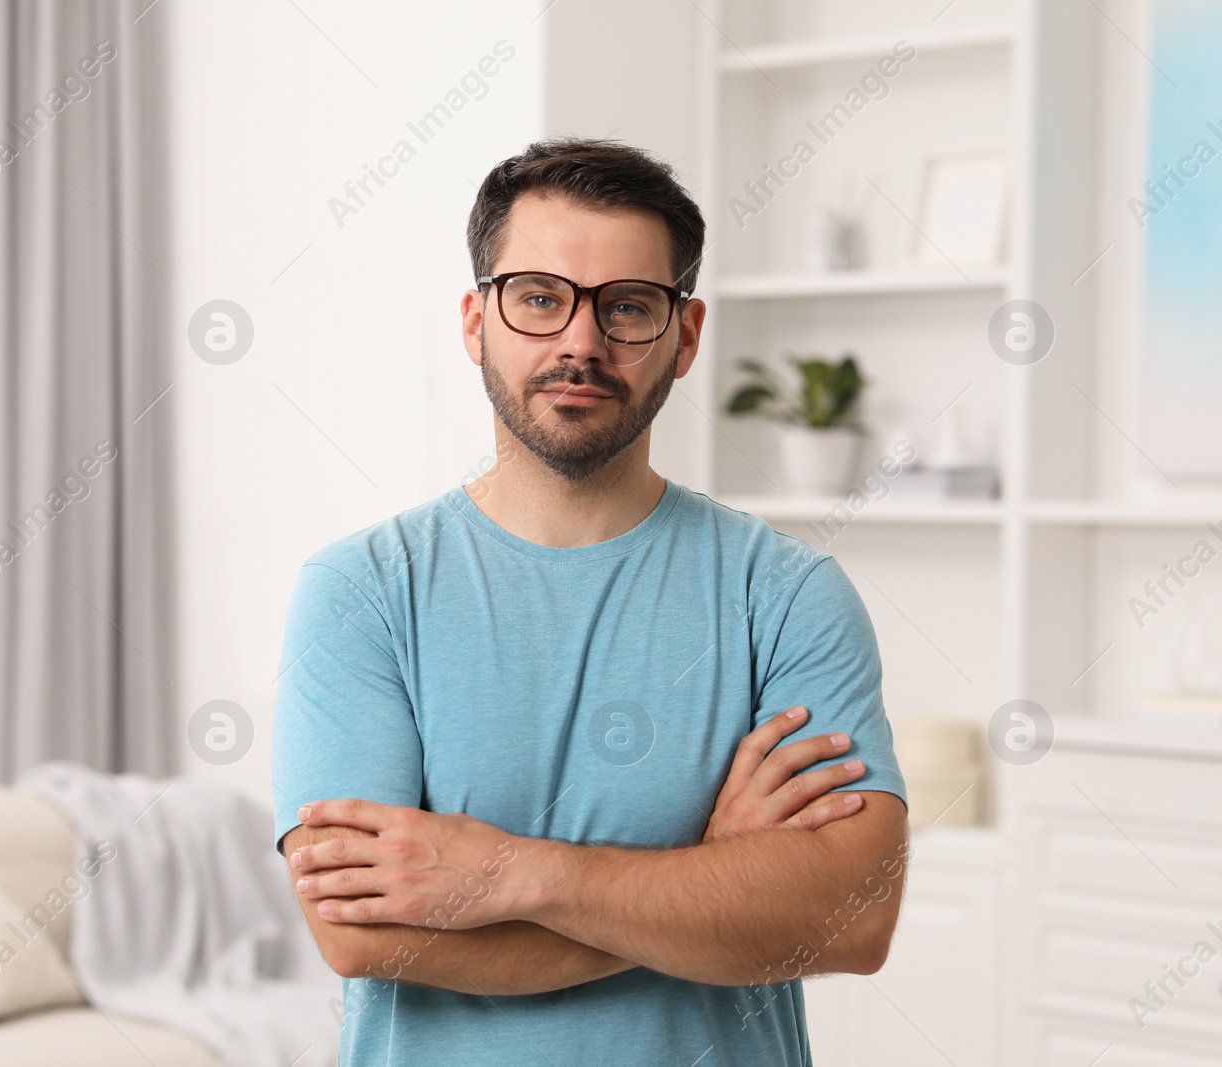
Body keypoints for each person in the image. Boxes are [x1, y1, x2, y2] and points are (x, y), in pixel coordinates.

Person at [271, 136, 909, 1066]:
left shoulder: (787, 595)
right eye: (539, 298)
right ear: (474, 321)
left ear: (684, 338)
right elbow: (362, 937)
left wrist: (504, 872)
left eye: (628, 308)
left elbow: (853, 920)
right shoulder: (361, 593)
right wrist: (707, 874)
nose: (580, 341)